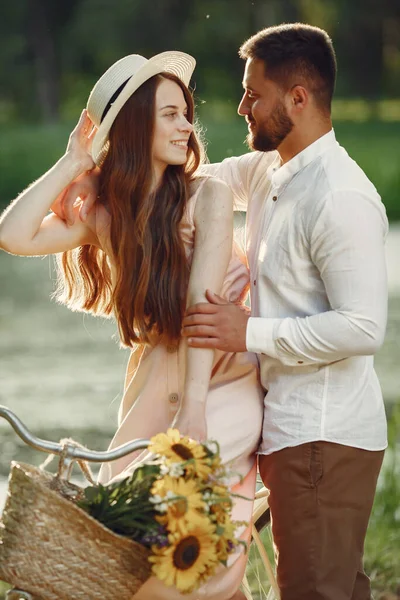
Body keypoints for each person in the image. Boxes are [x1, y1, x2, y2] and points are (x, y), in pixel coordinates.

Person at [44, 24, 388, 599]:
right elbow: (179, 184)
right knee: (330, 585)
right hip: (285, 427)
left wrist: (247, 331)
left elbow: (364, 327)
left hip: (325, 434)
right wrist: (96, 173)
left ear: (297, 99)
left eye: (254, 95)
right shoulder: (267, 172)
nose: (240, 106)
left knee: (314, 589)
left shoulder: (339, 196)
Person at [0, 52, 264, 600]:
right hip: (154, 386)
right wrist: (74, 161)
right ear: (135, 124)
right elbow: (14, 234)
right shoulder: (108, 218)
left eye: (185, 113)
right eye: (169, 114)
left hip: (223, 383)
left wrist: (194, 409)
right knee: (134, 538)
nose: (187, 126)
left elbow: (203, 305)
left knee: (194, 540)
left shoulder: (207, 196)